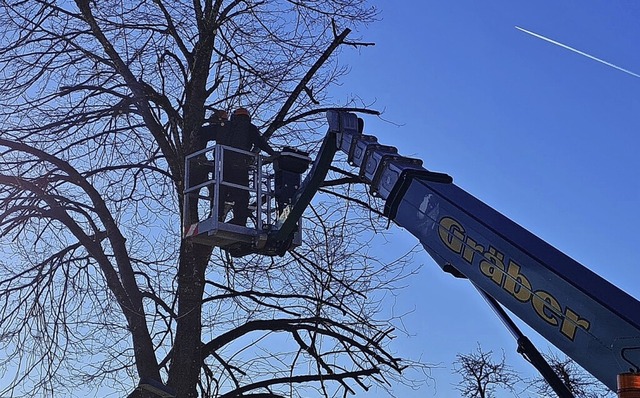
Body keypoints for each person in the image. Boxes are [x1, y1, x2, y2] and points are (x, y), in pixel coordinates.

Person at [216, 107, 277, 226]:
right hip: (240, 167)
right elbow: (260, 142)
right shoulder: (249, 128)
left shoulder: (226, 126)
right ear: (247, 117)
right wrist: (273, 153)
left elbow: (210, 132)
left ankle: (217, 216)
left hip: (224, 166)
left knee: (221, 192)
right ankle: (239, 221)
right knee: (242, 196)